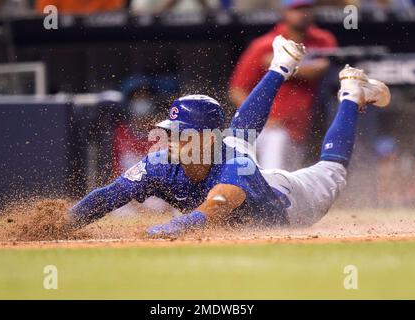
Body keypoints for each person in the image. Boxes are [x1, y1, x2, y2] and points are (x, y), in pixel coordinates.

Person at [68, 35, 391, 238]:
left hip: (291, 204)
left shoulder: (234, 170)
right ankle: (281, 66)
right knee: (238, 137)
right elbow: (107, 196)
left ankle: (351, 92)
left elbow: (206, 215)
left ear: (206, 139)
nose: (171, 140)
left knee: (332, 172)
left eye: (181, 134)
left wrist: (153, 232)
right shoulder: (162, 162)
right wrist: (65, 222)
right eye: (171, 131)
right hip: (241, 166)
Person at [229, 0, 337, 170]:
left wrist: (281, 65)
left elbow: (318, 70)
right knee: (274, 176)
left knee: (290, 183)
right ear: (284, 12)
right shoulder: (264, 44)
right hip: (270, 128)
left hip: (301, 128)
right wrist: (259, 118)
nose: (302, 14)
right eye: (297, 9)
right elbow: (236, 90)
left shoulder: (323, 40)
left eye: (306, 9)